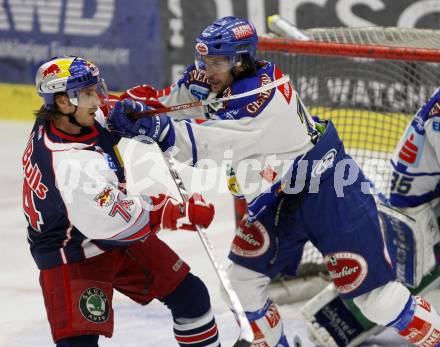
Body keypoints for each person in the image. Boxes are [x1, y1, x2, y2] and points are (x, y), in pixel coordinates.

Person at [108, 17, 440, 347]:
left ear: (241, 61)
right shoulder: (216, 75)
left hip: (330, 191)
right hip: (279, 200)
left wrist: (160, 129)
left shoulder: (267, 99)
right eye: (204, 60)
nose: (207, 69)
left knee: (377, 301)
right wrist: (145, 107)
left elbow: (208, 144)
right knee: (241, 283)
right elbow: (174, 101)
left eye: (217, 62)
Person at [23, 56, 221, 347]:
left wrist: (184, 93)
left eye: (95, 89)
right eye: (87, 94)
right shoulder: (70, 165)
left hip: (106, 230)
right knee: (78, 344)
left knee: (191, 297)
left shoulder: (69, 120)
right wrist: (176, 211)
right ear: (63, 102)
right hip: (71, 251)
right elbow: (118, 221)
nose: (97, 100)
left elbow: (129, 111)